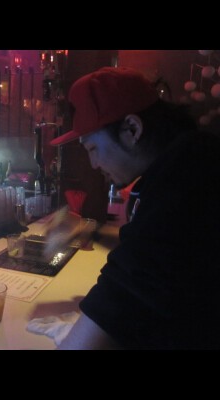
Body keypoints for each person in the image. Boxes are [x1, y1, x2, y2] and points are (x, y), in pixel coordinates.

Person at [49, 66, 220, 350]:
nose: (93, 164)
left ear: (132, 129)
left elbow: (127, 291)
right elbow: (149, 248)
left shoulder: (188, 178)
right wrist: (90, 232)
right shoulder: (184, 160)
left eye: (92, 149)